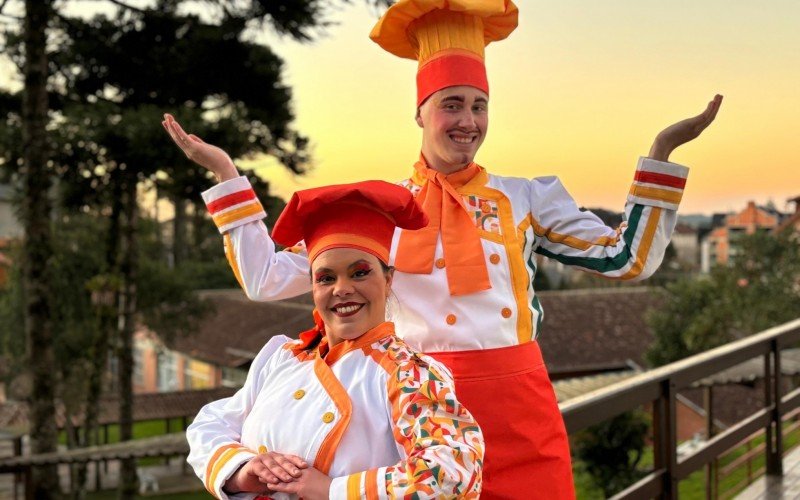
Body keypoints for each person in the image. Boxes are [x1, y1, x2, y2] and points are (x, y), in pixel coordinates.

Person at [165, 1, 722, 497]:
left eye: (479, 106)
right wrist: (227, 177)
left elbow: (628, 259)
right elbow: (265, 278)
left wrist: (661, 154)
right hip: (415, 411)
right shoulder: (381, 209)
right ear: (421, 112)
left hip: (520, 408)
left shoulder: (527, 197)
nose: (468, 121)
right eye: (452, 104)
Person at [185, 181, 484, 500]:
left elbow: (452, 475)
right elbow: (211, 423)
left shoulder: (411, 375)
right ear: (312, 288)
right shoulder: (284, 358)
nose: (341, 288)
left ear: (388, 279)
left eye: (359, 273)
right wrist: (242, 471)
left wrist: (332, 490)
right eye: (326, 278)